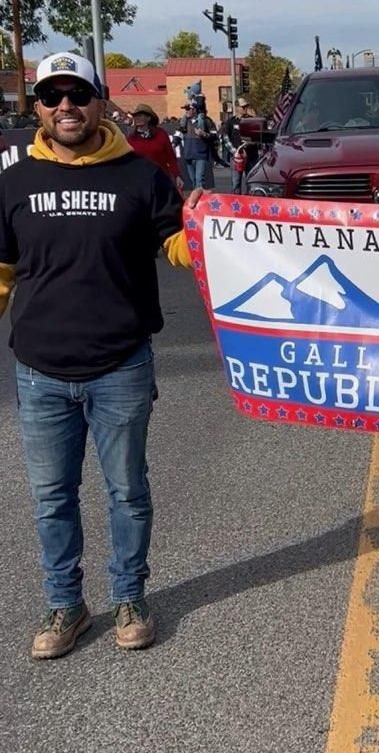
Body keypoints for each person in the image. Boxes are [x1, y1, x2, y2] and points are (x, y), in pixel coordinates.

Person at [0, 52, 202, 660]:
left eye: (78, 94)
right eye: (52, 96)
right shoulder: (12, 182)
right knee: (51, 498)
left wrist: (206, 233)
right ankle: (66, 604)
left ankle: (129, 597)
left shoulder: (139, 177)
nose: (66, 106)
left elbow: (173, 245)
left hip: (120, 365)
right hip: (39, 371)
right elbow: (3, 270)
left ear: (99, 101)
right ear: (37, 107)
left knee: (127, 492)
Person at [127, 104, 183, 190]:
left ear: (149, 118)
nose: (136, 118)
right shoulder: (131, 138)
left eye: (140, 115)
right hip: (140, 182)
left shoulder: (161, 134)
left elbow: (171, 158)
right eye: (135, 116)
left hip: (160, 180)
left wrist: (177, 176)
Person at [178, 93, 217, 189]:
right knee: (193, 181)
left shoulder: (206, 121)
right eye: (185, 110)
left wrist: (204, 134)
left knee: (199, 180)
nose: (186, 112)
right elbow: (177, 135)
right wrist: (173, 142)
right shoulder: (184, 122)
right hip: (188, 155)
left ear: (194, 110)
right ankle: (197, 200)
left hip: (200, 155)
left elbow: (215, 135)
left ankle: (200, 201)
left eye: (188, 109)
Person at [223, 98, 259, 194]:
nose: (245, 108)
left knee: (251, 181)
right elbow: (225, 137)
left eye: (246, 106)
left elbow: (259, 137)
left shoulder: (252, 120)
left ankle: (250, 202)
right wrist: (235, 151)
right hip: (237, 157)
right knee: (236, 182)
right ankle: (237, 203)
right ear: (237, 107)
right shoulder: (231, 122)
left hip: (251, 155)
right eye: (242, 107)